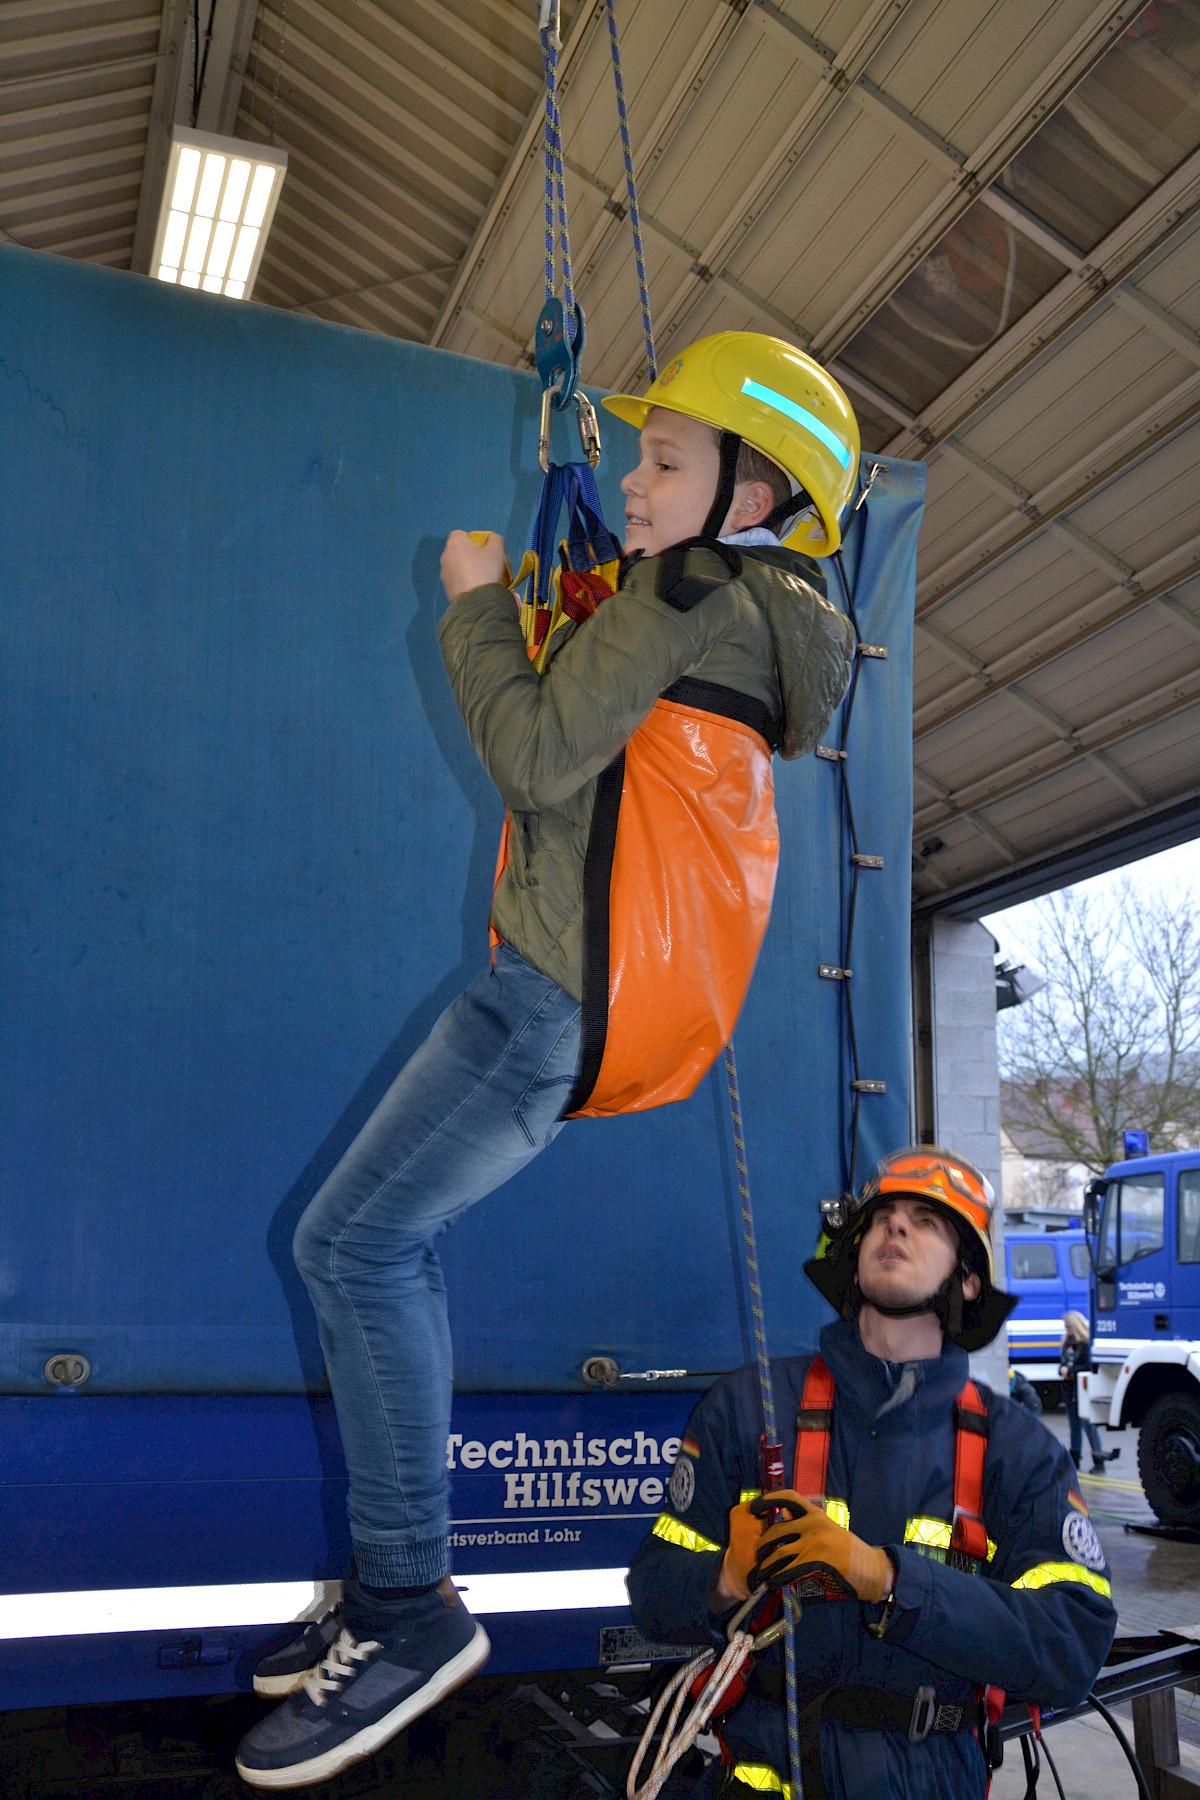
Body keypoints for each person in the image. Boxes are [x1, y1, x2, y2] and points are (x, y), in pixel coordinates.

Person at [233, 333, 859, 1789]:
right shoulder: (763, 611)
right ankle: (394, 1571)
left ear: (751, 495)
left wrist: (473, 612)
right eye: (638, 460)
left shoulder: (684, 591)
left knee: (355, 1252)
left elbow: (531, 760)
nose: (635, 485)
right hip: (565, 993)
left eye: (664, 460)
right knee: (381, 1248)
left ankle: (407, 1609)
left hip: (548, 999)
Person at [627, 1148, 1117, 1799]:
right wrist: (723, 1578)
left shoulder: (1015, 1449)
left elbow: (1069, 1648)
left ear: (968, 1279)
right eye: (882, 1217)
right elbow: (652, 1596)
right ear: (852, 1255)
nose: (896, 1228)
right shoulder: (749, 1410)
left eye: (926, 1221)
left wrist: (890, 1581)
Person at [1060, 1310, 1119, 1475]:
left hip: (1083, 1387)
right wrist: (1063, 1369)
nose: (1067, 1330)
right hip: (1070, 1387)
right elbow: (1064, 1361)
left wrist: (1070, 1370)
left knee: (1088, 1425)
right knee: (1074, 1426)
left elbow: (1088, 1366)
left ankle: (1098, 1461)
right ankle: (1075, 1460)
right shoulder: (1067, 1341)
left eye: (1069, 1326)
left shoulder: (1085, 1343)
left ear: (1076, 1325)